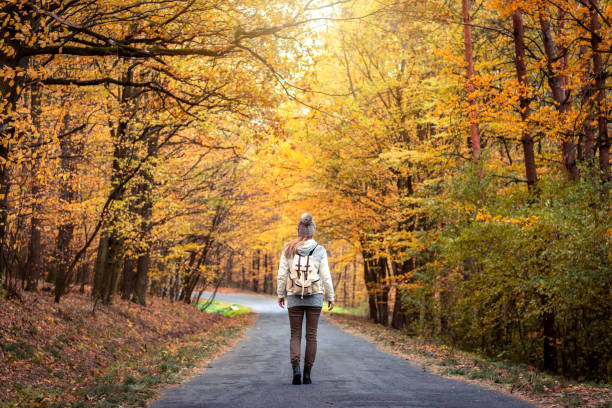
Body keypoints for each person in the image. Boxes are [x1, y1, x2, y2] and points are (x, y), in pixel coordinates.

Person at [277, 213, 335, 385]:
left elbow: (282, 274)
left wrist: (281, 294)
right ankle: (307, 373)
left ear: (299, 230)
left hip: (294, 295)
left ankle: (296, 369)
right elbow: (326, 275)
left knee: (295, 335)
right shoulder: (320, 250)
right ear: (313, 231)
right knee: (312, 336)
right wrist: (330, 296)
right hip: (315, 296)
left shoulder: (288, 249)